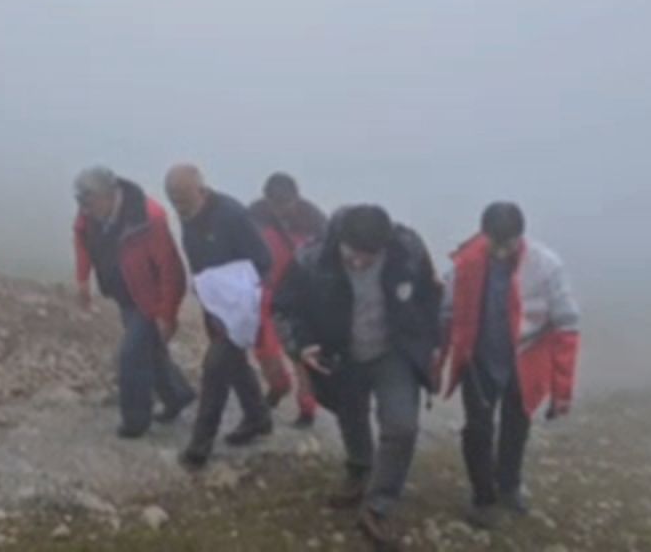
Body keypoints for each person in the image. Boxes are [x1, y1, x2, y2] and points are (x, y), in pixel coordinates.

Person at [273, 205, 442, 549]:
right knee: (350, 413)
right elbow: (284, 308)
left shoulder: (407, 249)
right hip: (341, 352)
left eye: (370, 256)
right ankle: (360, 467)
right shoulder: (311, 259)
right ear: (340, 241)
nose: (359, 263)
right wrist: (301, 345)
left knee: (402, 426)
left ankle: (379, 506)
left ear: (384, 245)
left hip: (394, 351)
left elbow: (429, 294)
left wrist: (429, 344)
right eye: (352, 255)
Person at [441, 202, 581, 529]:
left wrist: (562, 390)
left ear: (521, 237)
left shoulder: (546, 267)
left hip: (525, 359)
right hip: (479, 360)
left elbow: (567, 325)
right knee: (477, 428)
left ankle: (509, 485)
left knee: (516, 426)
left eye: (509, 244)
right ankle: (482, 496)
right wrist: (436, 362)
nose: (502, 252)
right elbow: (446, 314)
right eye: (495, 243)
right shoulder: (464, 264)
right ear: (483, 235)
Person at [71, 167, 196, 439]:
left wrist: (167, 314)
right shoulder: (90, 213)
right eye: (81, 203)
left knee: (130, 357)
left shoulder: (148, 219)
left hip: (149, 300)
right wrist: (83, 278)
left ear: (108, 195)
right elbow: (81, 236)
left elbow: (171, 270)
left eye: (88, 203)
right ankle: (178, 395)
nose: (84, 209)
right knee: (149, 350)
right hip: (124, 294)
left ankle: (135, 422)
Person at [164, 164, 275, 470]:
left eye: (184, 199)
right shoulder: (189, 216)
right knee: (233, 362)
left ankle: (199, 448)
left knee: (214, 368)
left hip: (241, 305)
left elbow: (264, 261)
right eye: (173, 200)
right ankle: (258, 417)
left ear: (201, 190)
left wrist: (245, 300)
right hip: (214, 303)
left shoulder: (232, 215)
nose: (179, 207)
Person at [248, 172, 327, 427]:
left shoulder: (315, 221)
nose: (280, 210)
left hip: (300, 296)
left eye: (285, 204)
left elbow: (326, 264)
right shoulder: (255, 215)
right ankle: (277, 386)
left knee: (300, 354)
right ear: (266, 199)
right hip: (264, 290)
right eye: (275, 204)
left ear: (297, 198)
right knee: (263, 347)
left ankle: (307, 408)